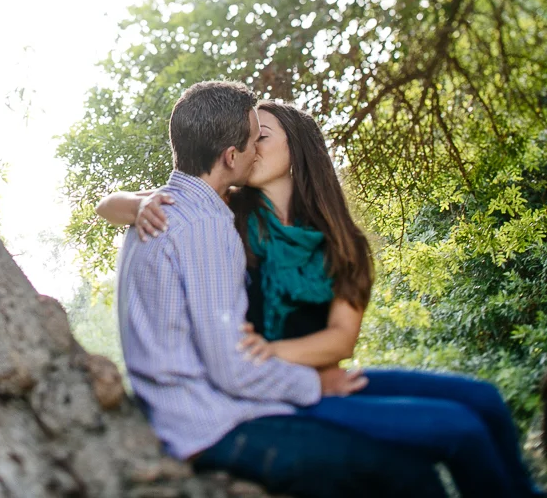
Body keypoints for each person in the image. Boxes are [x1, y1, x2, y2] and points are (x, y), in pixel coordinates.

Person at [109, 94, 544, 497]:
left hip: (306, 372)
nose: (253, 147)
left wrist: (278, 354)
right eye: (249, 139)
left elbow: (340, 340)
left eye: (262, 137)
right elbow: (143, 203)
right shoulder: (225, 214)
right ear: (231, 155)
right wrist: (135, 205)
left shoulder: (339, 240)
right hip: (267, 387)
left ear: (295, 152)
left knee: (483, 399)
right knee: (456, 432)